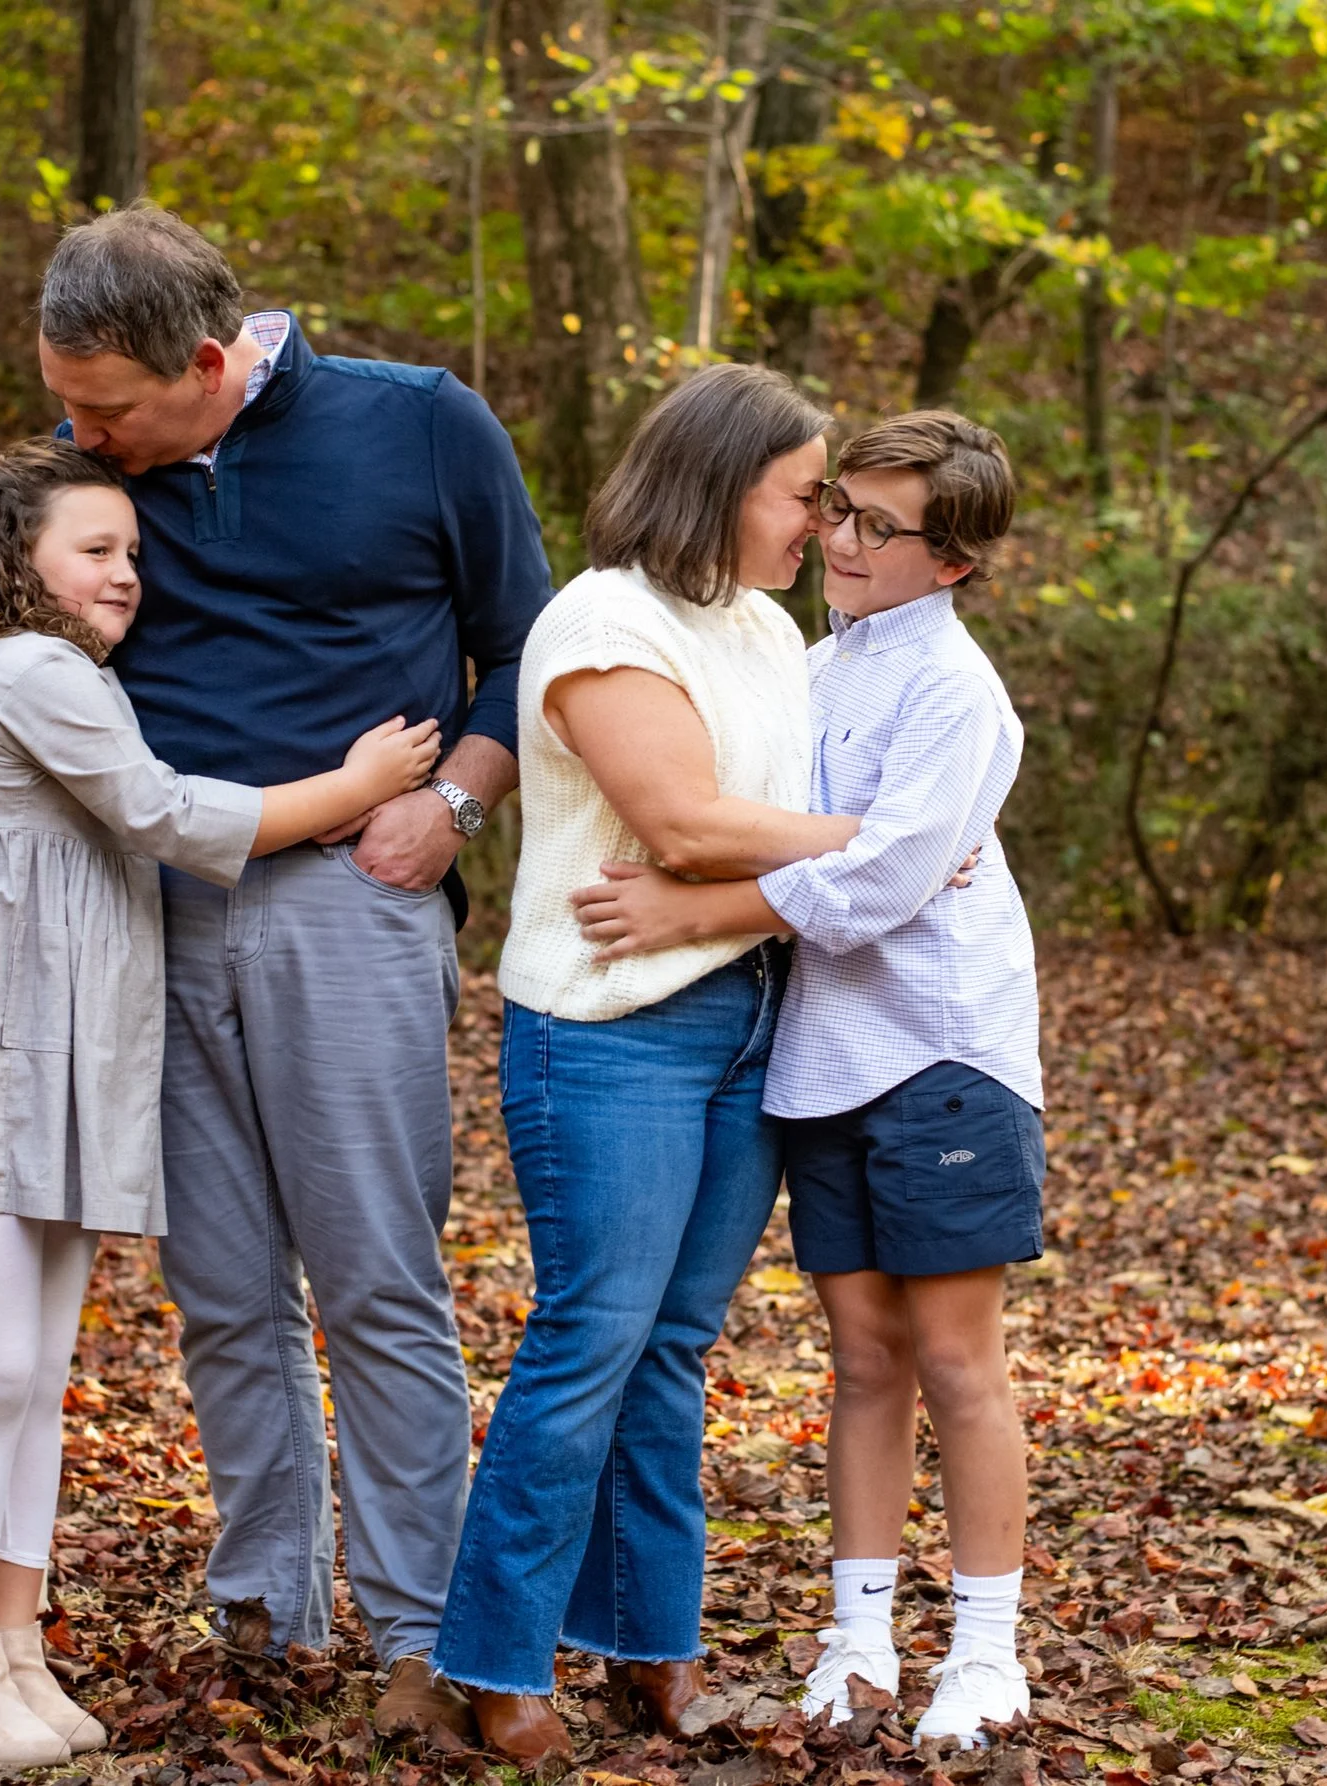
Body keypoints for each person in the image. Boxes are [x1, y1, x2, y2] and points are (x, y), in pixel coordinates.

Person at [0, 204, 551, 1739]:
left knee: (377, 1272)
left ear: (206, 360)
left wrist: (453, 802)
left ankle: (416, 1626)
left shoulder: (424, 426)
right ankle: (266, 1601)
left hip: (352, 897)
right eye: (65, 399)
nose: (79, 429)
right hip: (146, 911)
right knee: (221, 1284)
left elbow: (526, 646)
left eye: (108, 405)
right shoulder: (65, 480)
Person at [0, 439, 442, 1775]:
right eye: (94, 550)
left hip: (46, 1058)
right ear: (15, 559)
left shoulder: (69, 674)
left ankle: (12, 1645)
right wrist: (360, 783)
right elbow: (162, 812)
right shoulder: (37, 671)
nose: (125, 575)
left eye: (134, 553)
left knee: (35, 1376)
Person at [569, 411, 1044, 1749]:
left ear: (951, 558)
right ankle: (860, 1641)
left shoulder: (957, 691)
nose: (841, 538)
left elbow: (890, 882)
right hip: (823, 1060)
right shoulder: (811, 663)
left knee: (957, 1357)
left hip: (944, 1052)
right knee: (865, 1359)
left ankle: (989, 1649)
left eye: (880, 527)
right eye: (839, 507)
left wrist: (692, 912)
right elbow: (791, 829)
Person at [431, 364, 876, 1760]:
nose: (823, 524)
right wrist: (891, 839)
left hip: (753, 1012)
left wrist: (820, 850)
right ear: (721, 479)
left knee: (674, 1349)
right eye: (806, 495)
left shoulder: (757, 625)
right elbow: (682, 819)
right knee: (591, 1339)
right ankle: (497, 1657)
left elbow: (751, 842)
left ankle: (649, 1645)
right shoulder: (601, 620)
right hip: (611, 1031)